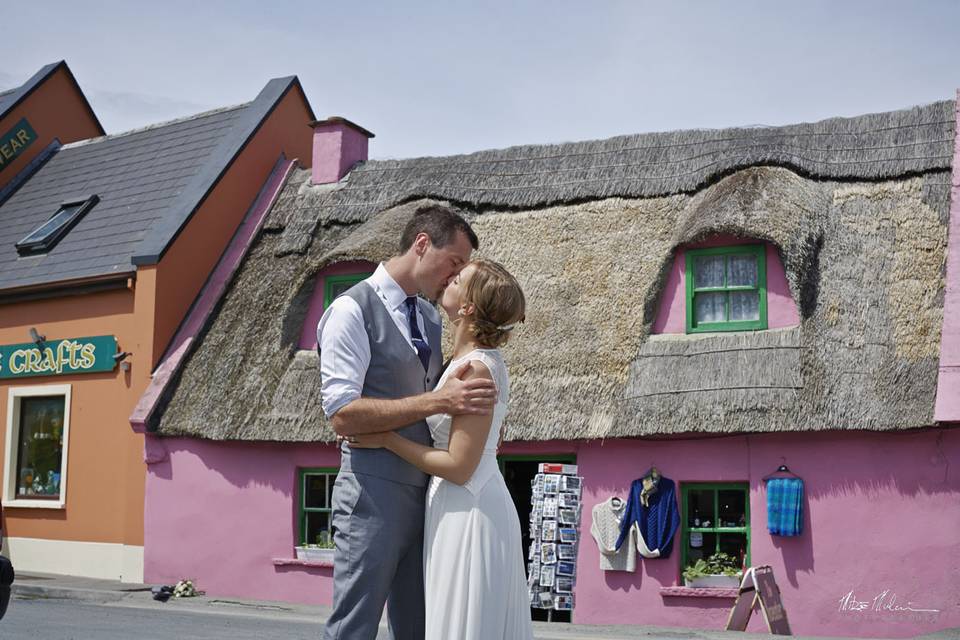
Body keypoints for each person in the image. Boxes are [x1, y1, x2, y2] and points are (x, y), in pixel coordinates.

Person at [318, 205, 497, 640]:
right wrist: (437, 399)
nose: (455, 277)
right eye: (454, 263)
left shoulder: (432, 318)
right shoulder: (350, 310)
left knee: (418, 629)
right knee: (353, 628)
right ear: (421, 244)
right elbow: (341, 412)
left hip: (432, 499)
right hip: (371, 495)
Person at [350, 258, 533, 640]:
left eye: (458, 279)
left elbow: (457, 466)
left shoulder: (477, 369)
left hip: (469, 507)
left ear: (467, 308)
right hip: (454, 504)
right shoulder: (459, 363)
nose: (449, 278)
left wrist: (386, 439)